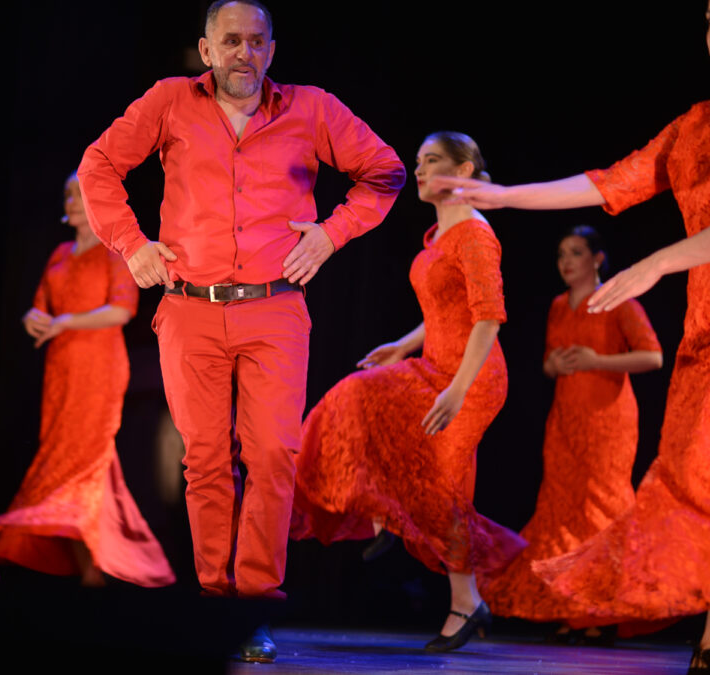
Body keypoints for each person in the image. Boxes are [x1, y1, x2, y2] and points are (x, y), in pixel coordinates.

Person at [77, 0, 405, 661]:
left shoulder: (310, 109)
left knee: (275, 454)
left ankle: (252, 606)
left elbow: (386, 171)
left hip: (274, 307)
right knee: (203, 459)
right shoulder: (171, 102)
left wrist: (332, 233)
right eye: (231, 41)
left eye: (256, 42)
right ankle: (214, 603)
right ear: (206, 49)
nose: (243, 53)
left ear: (272, 51)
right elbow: (98, 166)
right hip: (189, 306)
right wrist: (131, 244)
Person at [431, 10, 708, 664]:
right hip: (703, 336)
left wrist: (656, 262)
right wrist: (505, 196)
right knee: (693, 484)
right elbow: (610, 182)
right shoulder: (694, 127)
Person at [291, 131, 526, 652]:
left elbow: (489, 319)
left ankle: (464, 601)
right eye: (418, 162)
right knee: (355, 399)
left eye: (433, 161)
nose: (419, 171)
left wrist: (459, 390)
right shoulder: (439, 233)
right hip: (434, 364)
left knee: (443, 490)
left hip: (472, 376)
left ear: (464, 171)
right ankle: (384, 512)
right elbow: (445, 308)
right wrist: (402, 344)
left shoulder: (474, 233)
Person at [0, 174, 175, 588]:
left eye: (77, 195)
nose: (69, 201)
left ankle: (100, 571)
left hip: (99, 368)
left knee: (85, 466)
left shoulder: (114, 254)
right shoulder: (59, 253)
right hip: (60, 370)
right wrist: (34, 319)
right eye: (66, 194)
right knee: (71, 468)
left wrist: (67, 321)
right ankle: (92, 573)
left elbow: (122, 311)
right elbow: (39, 308)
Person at [479, 226, 662, 643]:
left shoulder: (619, 300)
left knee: (599, 507)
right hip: (564, 418)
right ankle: (569, 606)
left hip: (607, 420)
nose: (565, 261)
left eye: (575, 253)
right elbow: (546, 362)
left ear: (596, 259)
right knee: (561, 508)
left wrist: (599, 358)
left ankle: (598, 610)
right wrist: (554, 366)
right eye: (561, 253)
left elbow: (653, 356)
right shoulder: (559, 306)